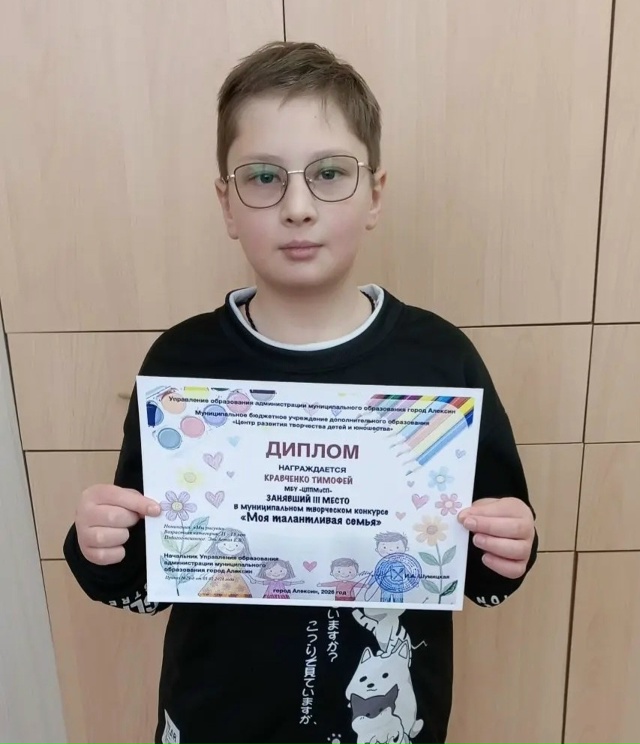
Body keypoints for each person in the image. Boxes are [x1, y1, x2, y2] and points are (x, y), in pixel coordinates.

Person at [64, 41, 538, 744]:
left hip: (380, 724)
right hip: (215, 724)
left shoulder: (440, 364)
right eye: (262, 177)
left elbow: (483, 571)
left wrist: (510, 545)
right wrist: (99, 548)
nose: (296, 207)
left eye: (329, 174)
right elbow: (149, 579)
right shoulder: (183, 368)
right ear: (227, 204)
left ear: (375, 194)